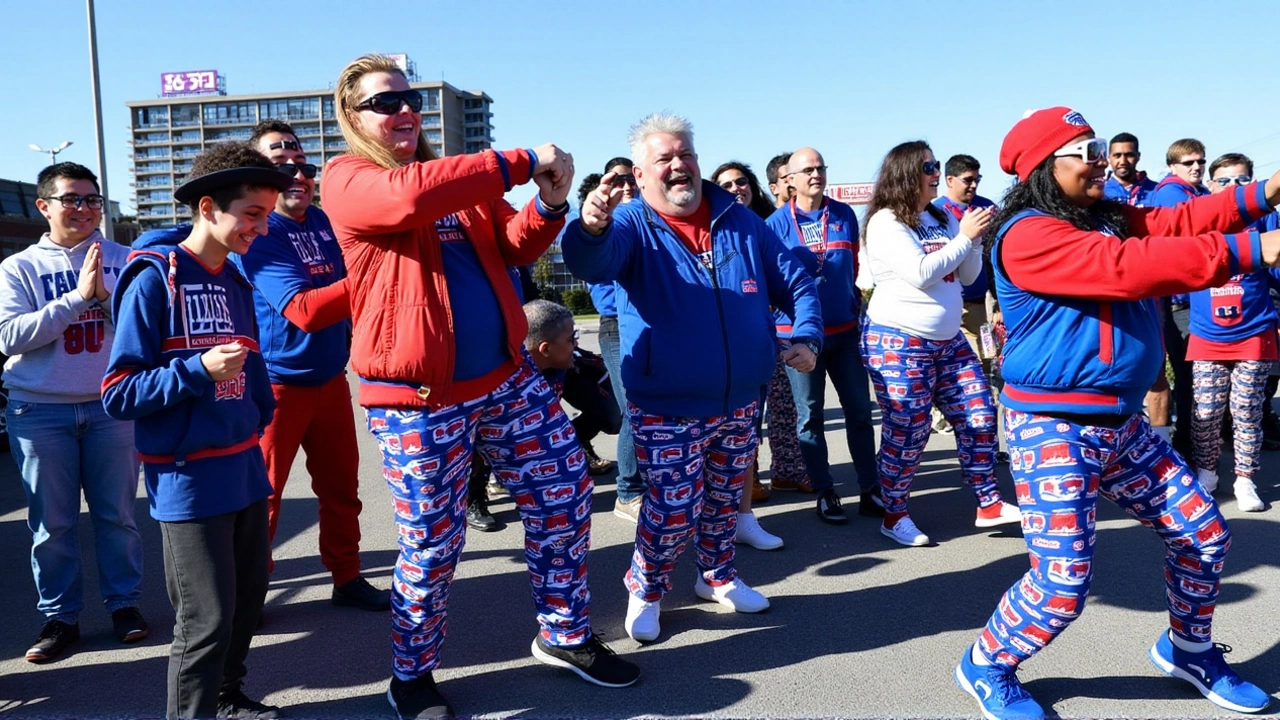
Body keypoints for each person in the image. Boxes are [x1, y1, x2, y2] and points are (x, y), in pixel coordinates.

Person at [319, 54, 639, 718]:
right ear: (353, 117)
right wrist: (524, 160)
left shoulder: (460, 190)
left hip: (505, 381)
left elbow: (516, 247)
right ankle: (411, 675)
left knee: (563, 492)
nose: (402, 109)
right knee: (433, 544)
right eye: (383, 102)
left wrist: (550, 203)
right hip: (418, 400)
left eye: (407, 99)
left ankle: (564, 635)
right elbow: (404, 199)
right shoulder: (348, 178)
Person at [955, 106, 1280, 720]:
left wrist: (1269, 189)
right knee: (1062, 584)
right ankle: (987, 663)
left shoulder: (1105, 218)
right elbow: (1128, 271)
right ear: (1046, 168)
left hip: (1123, 426)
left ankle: (1190, 649)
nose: (1100, 158)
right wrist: (1259, 247)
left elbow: (1181, 220)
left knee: (1204, 537)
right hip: (1054, 429)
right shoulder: (1026, 232)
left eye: (1098, 144)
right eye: (1084, 150)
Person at [562, 112, 822, 643]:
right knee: (672, 506)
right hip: (667, 400)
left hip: (739, 397)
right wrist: (590, 225)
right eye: (664, 159)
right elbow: (592, 261)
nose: (678, 166)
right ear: (640, 173)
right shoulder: (631, 223)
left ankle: (718, 576)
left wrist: (808, 336)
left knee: (727, 496)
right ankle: (647, 588)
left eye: (685, 155)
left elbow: (794, 278)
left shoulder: (740, 219)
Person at [103, 143, 294, 719]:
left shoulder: (236, 282)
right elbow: (118, 393)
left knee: (244, 605)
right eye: (253, 215)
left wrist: (256, 414)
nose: (262, 228)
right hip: (187, 480)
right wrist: (196, 370)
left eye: (267, 214)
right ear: (208, 207)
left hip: (244, 469)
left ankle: (228, 698)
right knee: (204, 619)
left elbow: (254, 368)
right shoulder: (153, 279)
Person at [232, 120, 389, 611]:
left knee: (343, 489)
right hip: (276, 386)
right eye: (281, 167)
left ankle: (346, 577)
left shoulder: (323, 221)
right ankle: (250, 591)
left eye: (304, 165)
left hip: (329, 379)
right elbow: (306, 307)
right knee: (265, 499)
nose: (297, 175)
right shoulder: (259, 232)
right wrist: (378, 276)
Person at [0, 162, 147, 663]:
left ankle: (124, 605)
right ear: (44, 206)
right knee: (52, 523)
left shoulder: (125, 258)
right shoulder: (18, 267)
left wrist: (104, 304)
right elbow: (11, 337)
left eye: (92, 200)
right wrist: (77, 298)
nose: (84, 209)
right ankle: (60, 617)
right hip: (39, 412)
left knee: (119, 515)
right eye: (72, 199)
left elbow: (143, 328)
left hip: (112, 407)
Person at [860, 142, 1020, 547]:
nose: (936, 171)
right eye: (929, 166)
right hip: (898, 339)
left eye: (935, 164)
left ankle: (988, 504)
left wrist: (976, 238)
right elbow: (921, 273)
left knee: (980, 415)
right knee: (909, 431)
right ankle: (894, 514)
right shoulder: (885, 221)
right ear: (908, 173)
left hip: (948, 342)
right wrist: (963, 236)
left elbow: (967, 275)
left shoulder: (937, 217)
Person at [766, 148, 880, 524]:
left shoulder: (844, 214)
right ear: (790, 181)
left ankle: (870, 489)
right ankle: (824, 491)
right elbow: (771, 280)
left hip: (845, 333)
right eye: (806, 170)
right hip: (799, 338)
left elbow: (856, 267)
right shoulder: (776, 224)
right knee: (810, 416)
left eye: (820, 168)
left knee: (860, 412)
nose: (815, 174)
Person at [709, 160, 795, 551]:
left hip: (764, 342)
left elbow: (789, 277)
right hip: (718, 351)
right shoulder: (711, 227)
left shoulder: (763, 224)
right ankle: (717, 521)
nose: (735, 188)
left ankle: (744, 518)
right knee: (720, 441)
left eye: (741, 181)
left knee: (749, 435)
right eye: (725, 184)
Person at [1187, 153, 1276, 512]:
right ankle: (1207, 472)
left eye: (1241, 180)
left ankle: (1245, 479)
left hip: (1255, 331)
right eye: (1224, 181)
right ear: (1211, 186)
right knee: (1205, 412)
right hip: (1207, 333)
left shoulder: (1266, 217)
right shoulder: (1196, 219)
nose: (1232, 187)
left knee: (1246, 411)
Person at [932, 155, 1005, 459]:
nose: (974, 185)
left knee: (983, 368)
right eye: (967, 179)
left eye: (977, 179)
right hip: (944, 306)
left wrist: (998, 302)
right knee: (941, 369)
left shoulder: (987, 209)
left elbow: (997, 259)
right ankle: (942, 411)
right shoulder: (934, 212)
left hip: (979, 309)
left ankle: (988, 446)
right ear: (949, 180)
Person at [586, 160, 646, 524]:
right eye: (618, 179)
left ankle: (648, 486)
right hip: (618, 326)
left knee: (653, 409)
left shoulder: (648, 221)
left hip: (651, 323)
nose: (626, 185)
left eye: (632, 178)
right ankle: (627, 492)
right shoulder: (601, 228)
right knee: (634, 410)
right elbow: (606, 294)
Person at [1146, 138, 1211, 454]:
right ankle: (1187, 447)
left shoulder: (1198, 193)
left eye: (1200, 161)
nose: (1196, 167)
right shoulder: (1173, 194)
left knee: (1196, 378)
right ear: (1172, 166)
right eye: (1189, 162)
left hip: (1193, 298)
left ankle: (1194, 444)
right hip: (1177, 302)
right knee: (1190, 377)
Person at [1103, 132, 1158, 206]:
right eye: (1117, 156)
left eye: (1129, 155)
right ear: (1109, 158)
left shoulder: (1156, 191)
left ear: (1138, 157)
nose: (1123, 161)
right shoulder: (1100, 192)